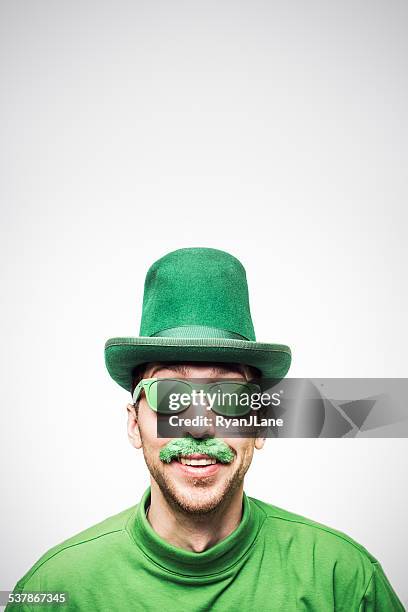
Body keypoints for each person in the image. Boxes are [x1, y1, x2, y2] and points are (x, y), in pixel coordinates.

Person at [7, 248, 404, 611]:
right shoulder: (53, 591)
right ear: (133, 423)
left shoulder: (344, 581)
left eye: (229, 396)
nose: (198, 426)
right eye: (170, 396)